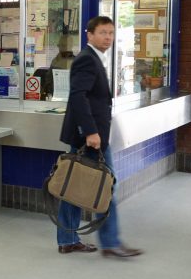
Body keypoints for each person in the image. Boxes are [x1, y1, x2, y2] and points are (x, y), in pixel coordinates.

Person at [57, 16, 143, 258]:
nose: (108, 37)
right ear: (89, 34)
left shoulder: (95, 58)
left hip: (89, 135)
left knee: (73, 186)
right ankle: (110, 243)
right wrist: (92, 132)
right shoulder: (87, 59)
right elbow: (78, 96)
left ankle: (68, 239)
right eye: (103, 32)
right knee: (107, 187)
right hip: (90, 137)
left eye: (111, 33)